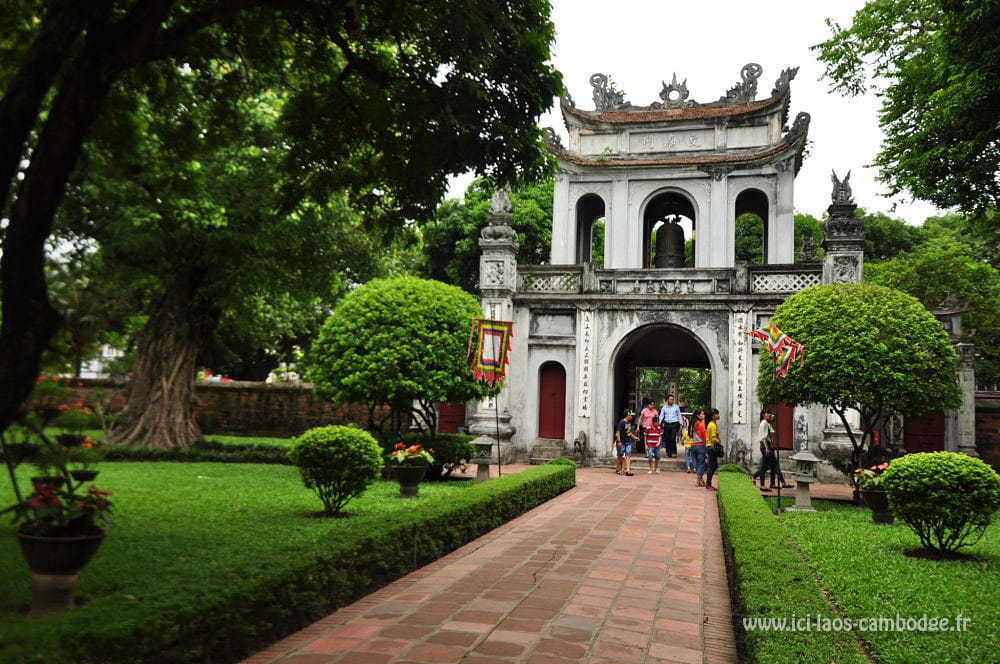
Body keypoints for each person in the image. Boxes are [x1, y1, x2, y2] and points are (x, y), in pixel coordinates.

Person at [755, 408, 792, 491]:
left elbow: (770, 430)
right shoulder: (764, 423)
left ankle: (768, 483)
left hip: (768, 446)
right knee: (775, 464)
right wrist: (767, 448)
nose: (769, 414)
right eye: (767, 413)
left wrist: (772, 418)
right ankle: (783, 483)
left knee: (765, 466)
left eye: (770, 413)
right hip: (766, 446)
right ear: (763, 415)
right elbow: (764, 437)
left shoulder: (767, 423)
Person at [615, 409, 638, 476]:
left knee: (628, 455)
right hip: (622, 442)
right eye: (631, 415)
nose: (632, 416)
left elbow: (628, 432)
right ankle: (619, 469)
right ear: (628, 415)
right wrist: (619, 441)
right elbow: (618, 432)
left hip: (628, 442)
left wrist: (634, 437)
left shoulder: (629, 423)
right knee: (620, 456)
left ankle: (627, 470)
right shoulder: (621, 422)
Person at [704, 408, 723, 491]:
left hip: (709, 446)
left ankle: (708, 484)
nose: (718, 415)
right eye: (716, 414)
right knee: (712, 465)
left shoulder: (712, 424)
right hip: (711, 447)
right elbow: (713, 438)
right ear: (712, 416)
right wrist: (719, 443)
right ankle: (708, 484)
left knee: (713, 465)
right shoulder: (712, 425)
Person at [689, 409, 707, 486]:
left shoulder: (692, 424)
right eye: (702, 414)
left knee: (696, 463)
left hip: (692, 445)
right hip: (700, 445)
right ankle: (698, 479)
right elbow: (705, 436)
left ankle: (700, 479)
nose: (703, 415)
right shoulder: (701, 424)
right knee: (701, 463)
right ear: (698, 416)